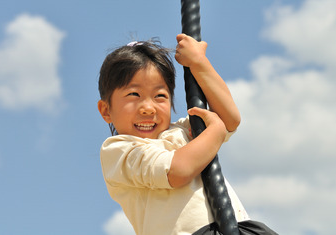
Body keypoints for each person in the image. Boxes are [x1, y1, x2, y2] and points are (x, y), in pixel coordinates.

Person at [98, 34, 250, 235]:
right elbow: (177, 171)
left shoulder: (182, 131)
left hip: (235, 228)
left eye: (160, 96)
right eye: (134, 95)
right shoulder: (120, 150)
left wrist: (199, 64)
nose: (148, 108)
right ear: (106, 110)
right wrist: (216, 130)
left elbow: (229, 118)